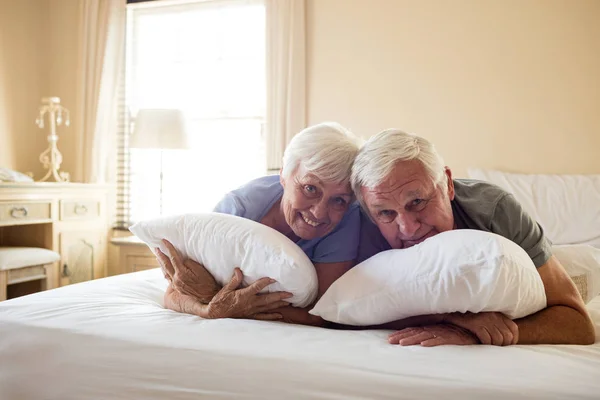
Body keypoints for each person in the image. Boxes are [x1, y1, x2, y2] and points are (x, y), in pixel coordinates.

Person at [350, 128, 595, 346]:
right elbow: (342, 312)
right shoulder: (365, 226)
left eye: (417, 201)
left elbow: (578, 324)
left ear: (447, 184)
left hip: (567, 265)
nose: (407, 227)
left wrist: (480, 333)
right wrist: (456, 318)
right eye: (386, 212)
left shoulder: (494, 211)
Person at [156, 122, 363, 326]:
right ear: (283, 175)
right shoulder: (239, 208)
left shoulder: (346, 217)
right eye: (310, 188)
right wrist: (208, 309)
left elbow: (319, 314)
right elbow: (174, 293)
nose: (319, 212)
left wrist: (230, 304)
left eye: (338, 200)